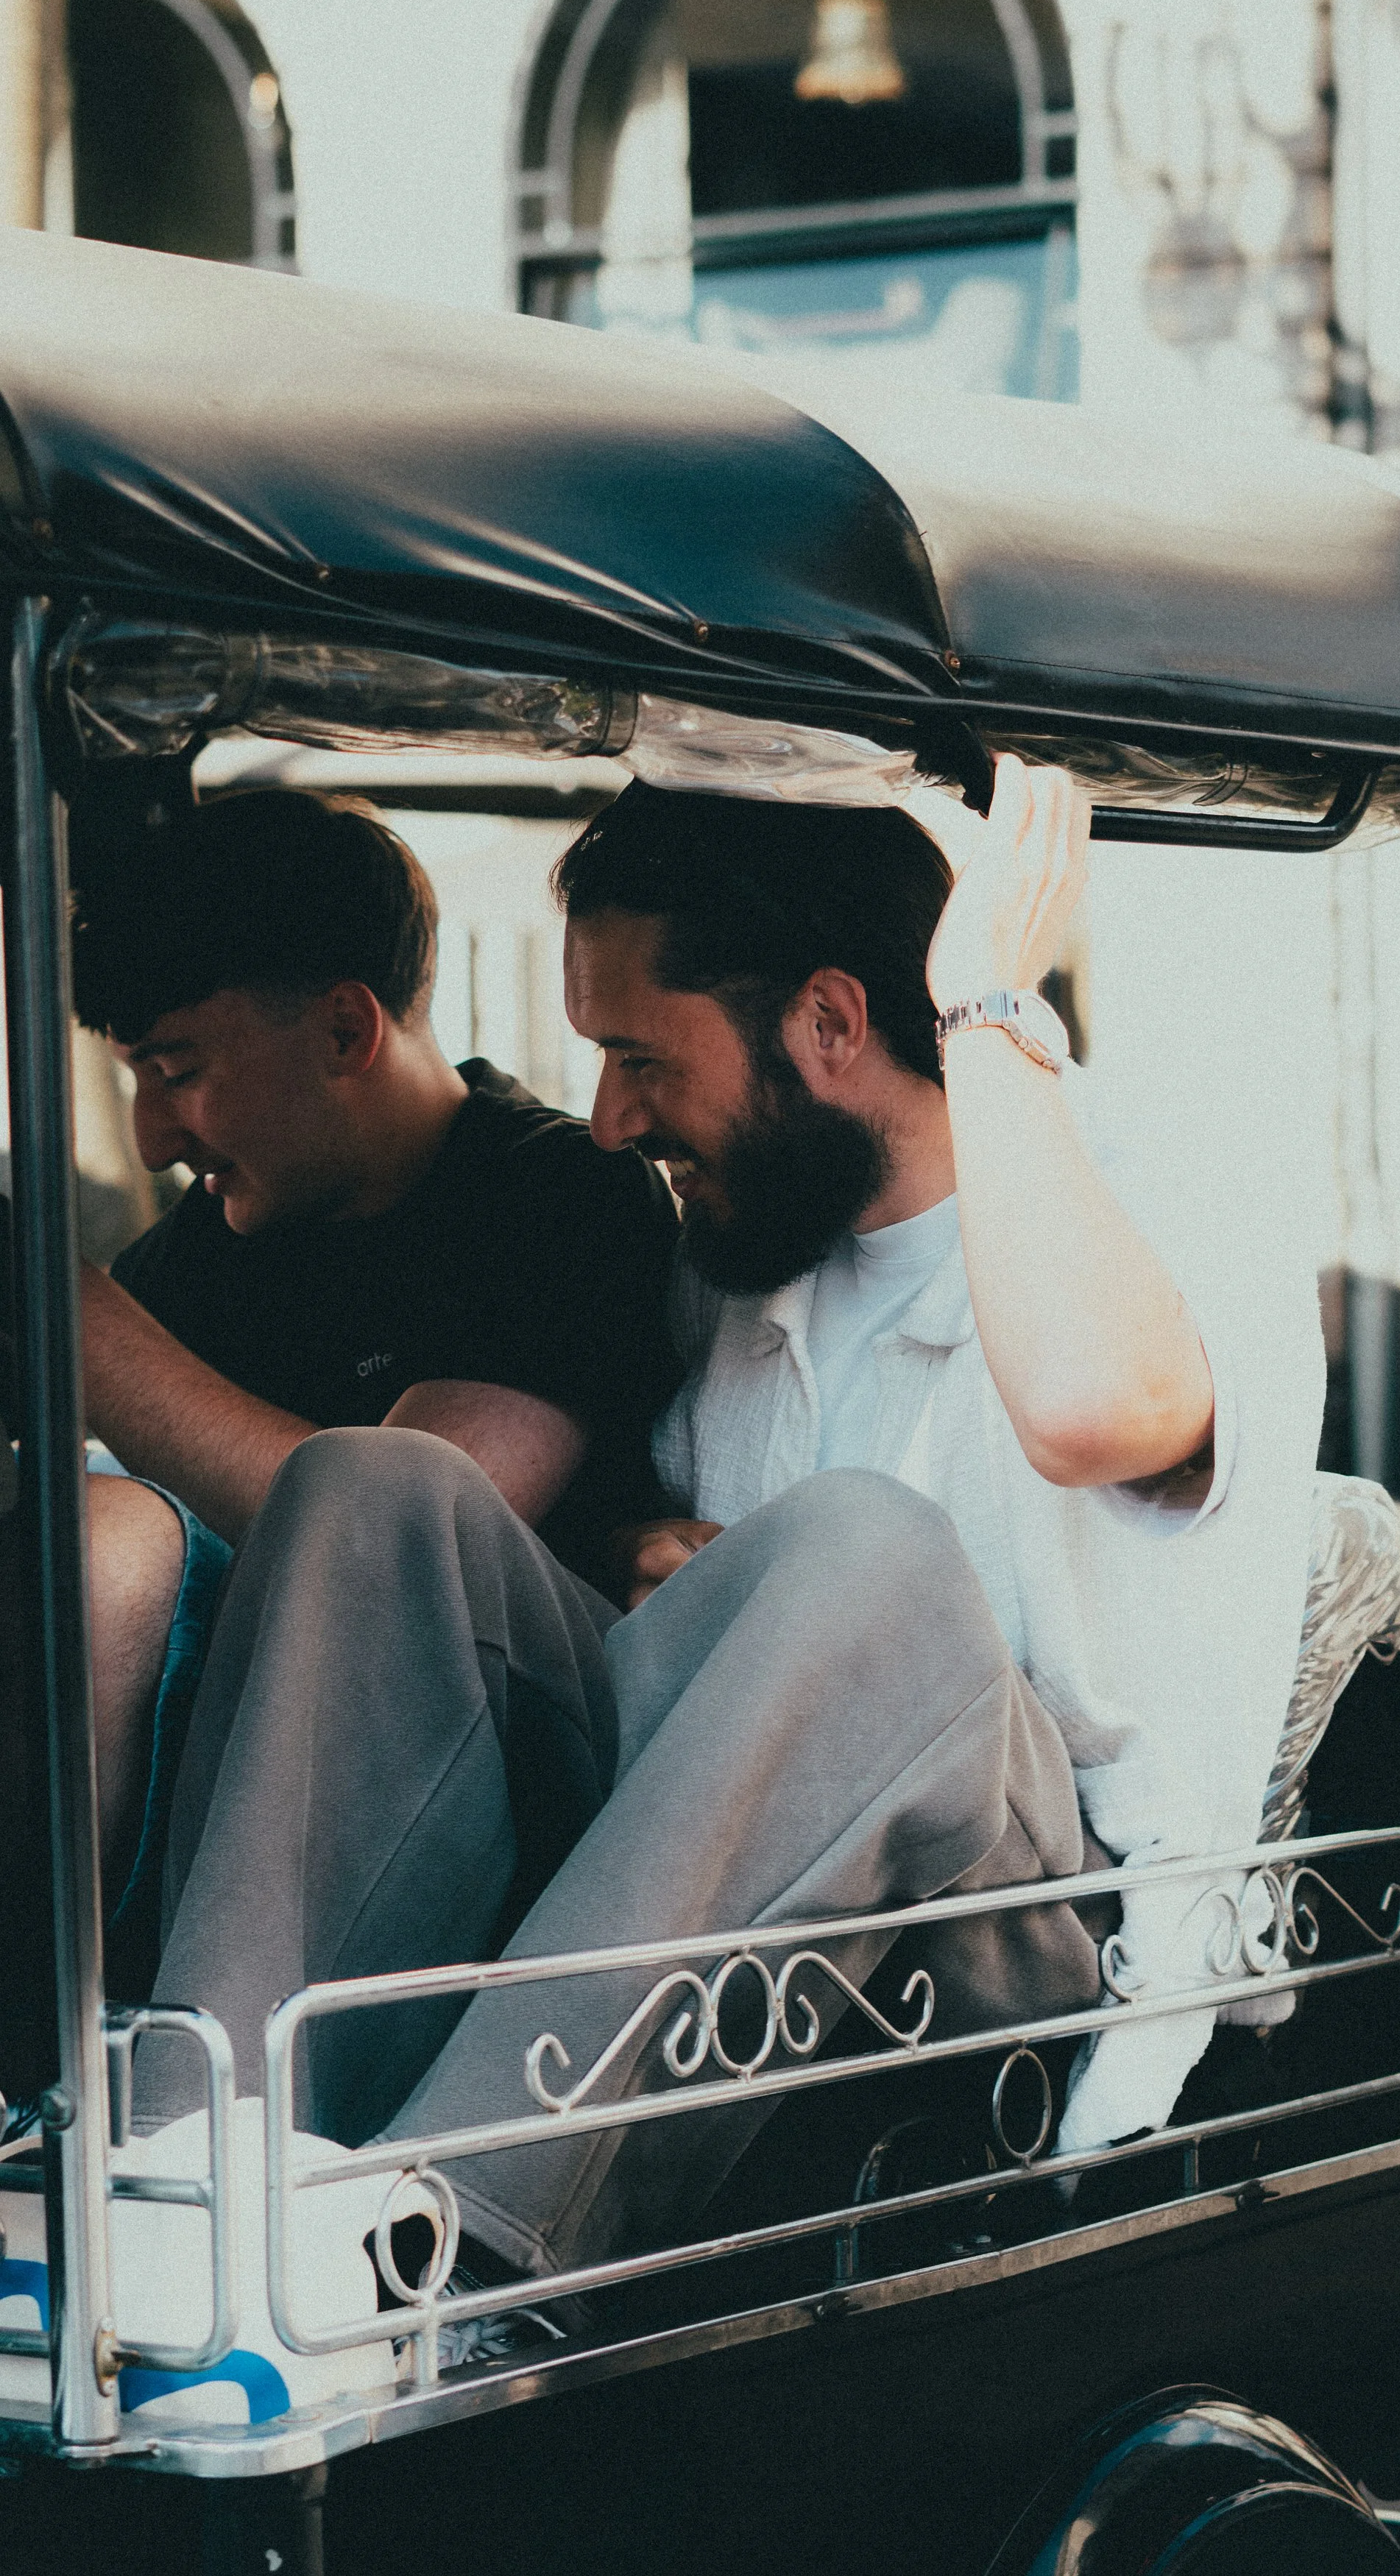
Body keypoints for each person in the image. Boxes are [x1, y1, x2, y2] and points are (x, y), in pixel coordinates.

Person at [127, 757, 1323, 2293]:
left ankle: (450, 2250)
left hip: (1024, 1922)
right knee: (379, 1488)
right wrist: (643, 1561)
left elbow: (1091, 1414)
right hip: (726, 1913)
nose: (609, 1118)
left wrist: (981, 1009)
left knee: (860, 1551)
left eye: (638, 1056)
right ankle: (190, 2171)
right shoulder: (738, 1270)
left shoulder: (1167, 1185)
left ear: (830, 1025)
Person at [0, 788, 681, 2092]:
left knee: (165, 1536)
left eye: (180, 1070)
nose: (151, 1137)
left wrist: (71, 1318)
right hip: (216, 1820)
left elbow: (405, 1530)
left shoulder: (556, 1191)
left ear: (345, 1025)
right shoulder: (203, 1256)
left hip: (481, 1807)